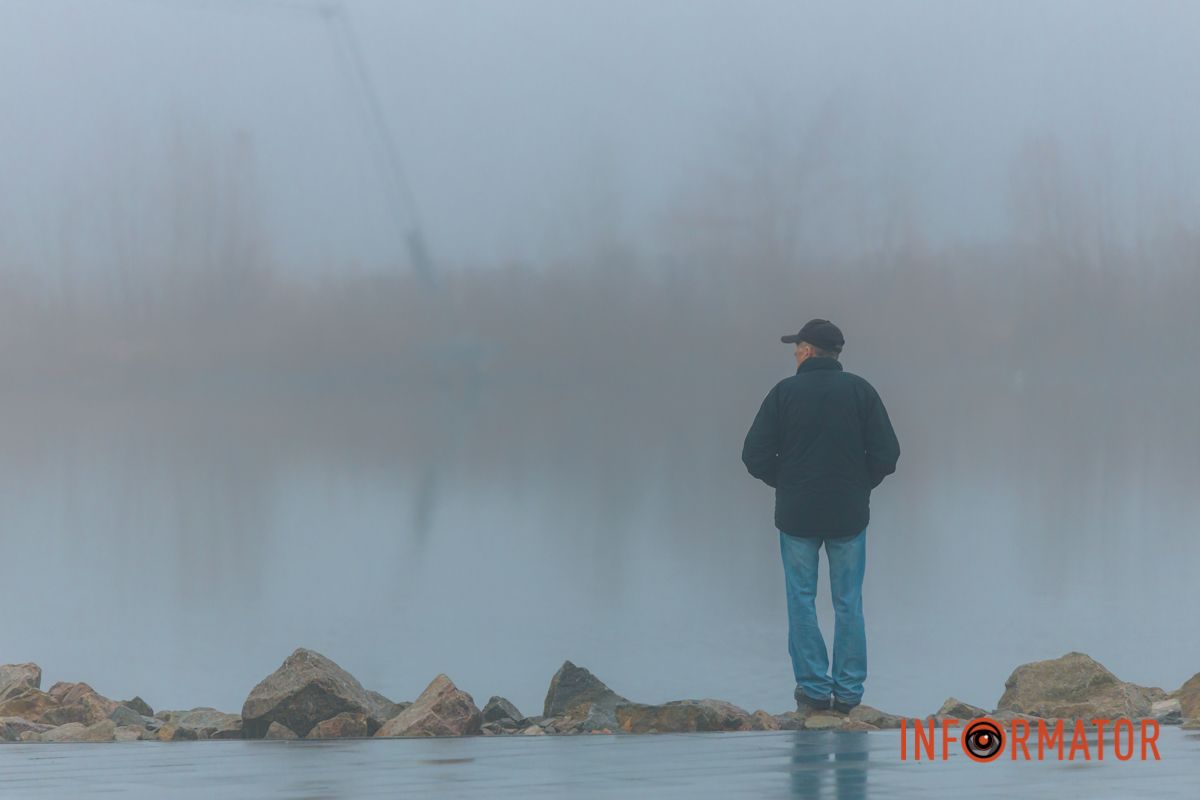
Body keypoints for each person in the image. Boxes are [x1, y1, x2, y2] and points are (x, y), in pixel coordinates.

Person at [741, 318, 900, 715]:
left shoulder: (784, 393)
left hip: (797, 516)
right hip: (849, 514)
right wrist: (861, 485)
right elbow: (887, 454)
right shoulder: (861, 392)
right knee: (849, 603)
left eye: (797, 347)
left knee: (801, 600)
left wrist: (786, 482)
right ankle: (847, 694)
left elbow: (753, 455)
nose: (794, 353)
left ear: (809, 351)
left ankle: (813, 689)